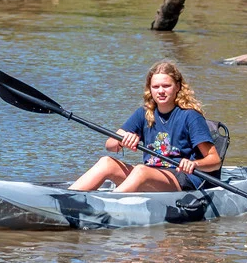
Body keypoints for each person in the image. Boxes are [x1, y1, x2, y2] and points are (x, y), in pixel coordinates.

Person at [69, 61, 221, 193]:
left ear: (177, 87)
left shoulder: (191, 116)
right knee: (106, 162)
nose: (160, 91)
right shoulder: (144, 113)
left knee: (141, 170)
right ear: (150, 89)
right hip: (149, 174)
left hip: (181, 178)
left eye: (166, 86)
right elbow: (110, 145)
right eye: (156, 86)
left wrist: (194, 164)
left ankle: (107, 204)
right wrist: (122, 140)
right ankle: (67, 198)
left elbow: (215, 160)